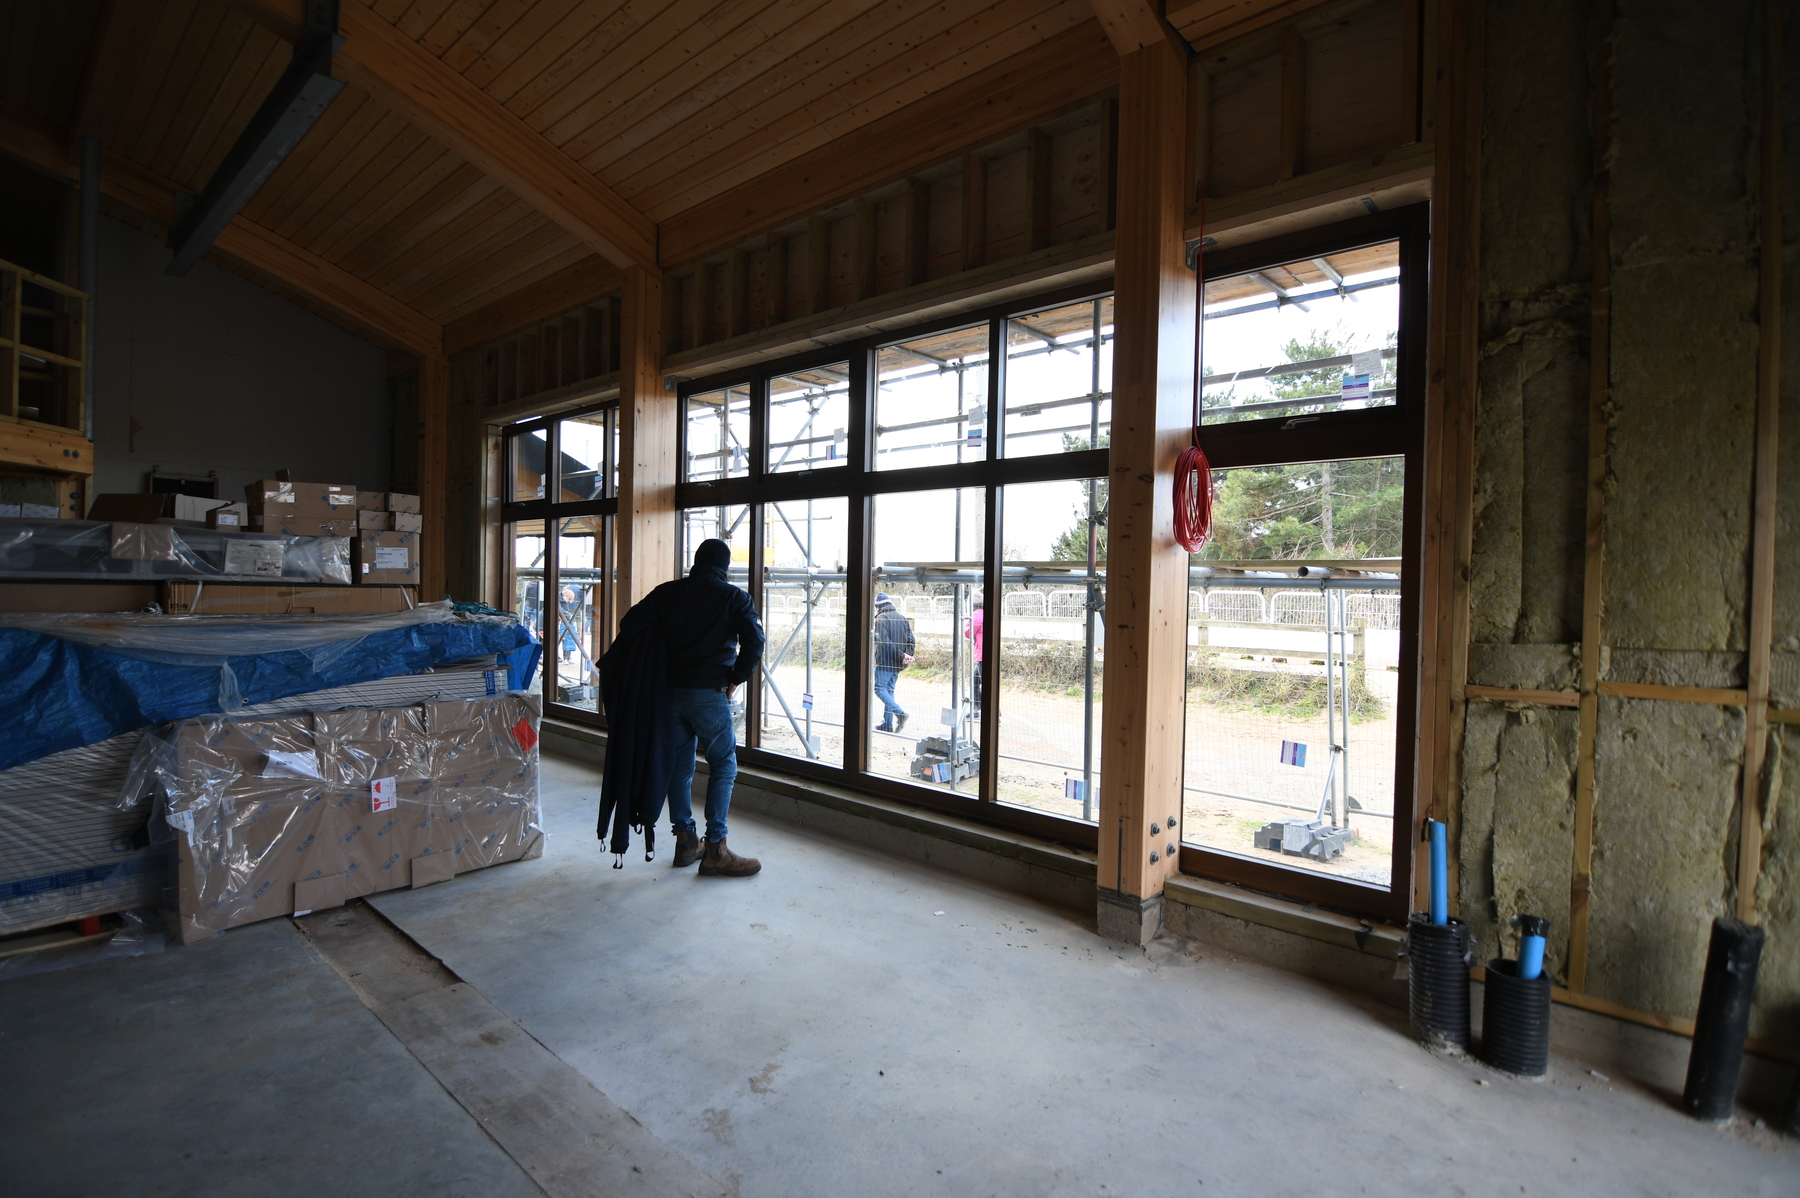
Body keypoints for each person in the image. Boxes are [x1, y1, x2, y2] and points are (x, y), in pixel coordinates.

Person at [615, 538, 766, 876]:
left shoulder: (667, 592)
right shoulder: (734, 597)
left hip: (668, 695)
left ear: (696, 562)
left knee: (679, 769)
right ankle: (716, 848)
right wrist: (736, 678)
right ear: (725, 567)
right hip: (709, 694)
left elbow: (630, 624)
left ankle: (685, 841)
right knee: (723, 766)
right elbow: (755, 641)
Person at [872, 591, 915, 734]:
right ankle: (887, 724)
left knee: (879, 690)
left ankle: (900, 714)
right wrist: (907, 655)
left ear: (879, 606)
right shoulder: (902, 618)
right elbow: (911, 640)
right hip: (898, 663)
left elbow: (884, 641)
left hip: (885, 662)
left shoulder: (881, 619)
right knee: (889, 691)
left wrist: (902, 654)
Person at [963, 596, 984, 717]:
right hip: (983, 653)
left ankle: (992, 712)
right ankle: (977, 707)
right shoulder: (985, 612)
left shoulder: (976, 615)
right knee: (975, 679)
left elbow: (968, 633)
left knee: (982, 681)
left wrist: (968, 621)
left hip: (981, 654)